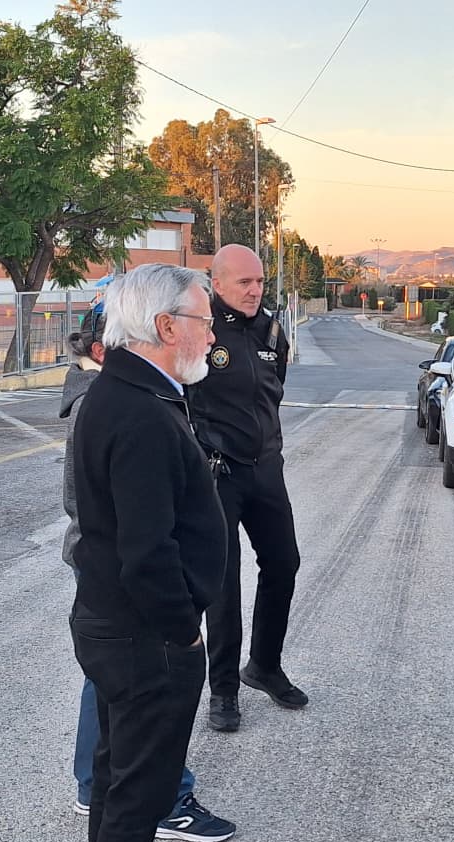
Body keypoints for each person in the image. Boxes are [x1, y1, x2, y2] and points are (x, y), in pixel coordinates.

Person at [69, 264, 227, 842]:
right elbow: (146, 550)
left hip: (116, 627)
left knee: (115, 780)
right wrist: (183, 631)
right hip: (144, 637)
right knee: (138, 793)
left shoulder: (125, 392)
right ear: (165, 326)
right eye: (204, 322)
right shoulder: (139, 412)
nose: (212, 336)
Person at [190, 244, 306, 733]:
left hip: (265, 470)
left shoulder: (271, 331)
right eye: (244, 282)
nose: (255, 290)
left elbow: (272, 393)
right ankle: (223, 690)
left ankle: (264, 665)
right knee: (223, 584)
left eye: (259, 281)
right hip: (218, 472)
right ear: (217, 284)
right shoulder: (199, 330)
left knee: (284, 564)